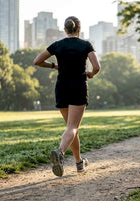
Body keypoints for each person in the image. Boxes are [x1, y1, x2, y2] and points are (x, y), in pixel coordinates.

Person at [33, 16, 101, 177]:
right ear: (79, 28)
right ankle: (60, 152)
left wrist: (54, 66)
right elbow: (97, 66)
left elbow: (37, 61)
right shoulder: (85, 45)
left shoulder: (58, 45)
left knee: (71, 128)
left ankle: (79, 163)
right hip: (78, 87)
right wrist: (91, 73)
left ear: (65, 29)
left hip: (62, 87)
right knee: (72, 127)